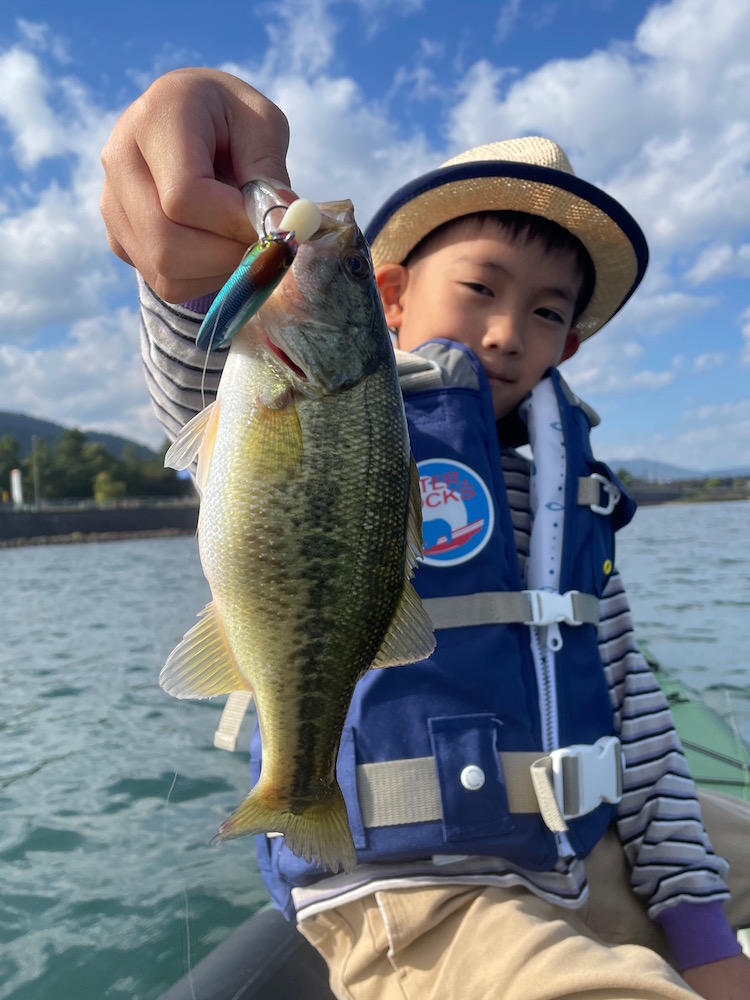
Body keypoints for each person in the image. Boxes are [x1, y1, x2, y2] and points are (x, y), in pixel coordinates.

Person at [102, 68, 750, 1000]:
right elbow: (196, 368)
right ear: (390, 297)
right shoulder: (331, 400)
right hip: (418, 892)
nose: (506, 331)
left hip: (572, 850)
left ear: (568, 346)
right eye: (481, 287)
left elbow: (638, 723)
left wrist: (700, 926)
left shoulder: (571, 502)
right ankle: (305, 800)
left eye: (546, 312)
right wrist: (189, 217)